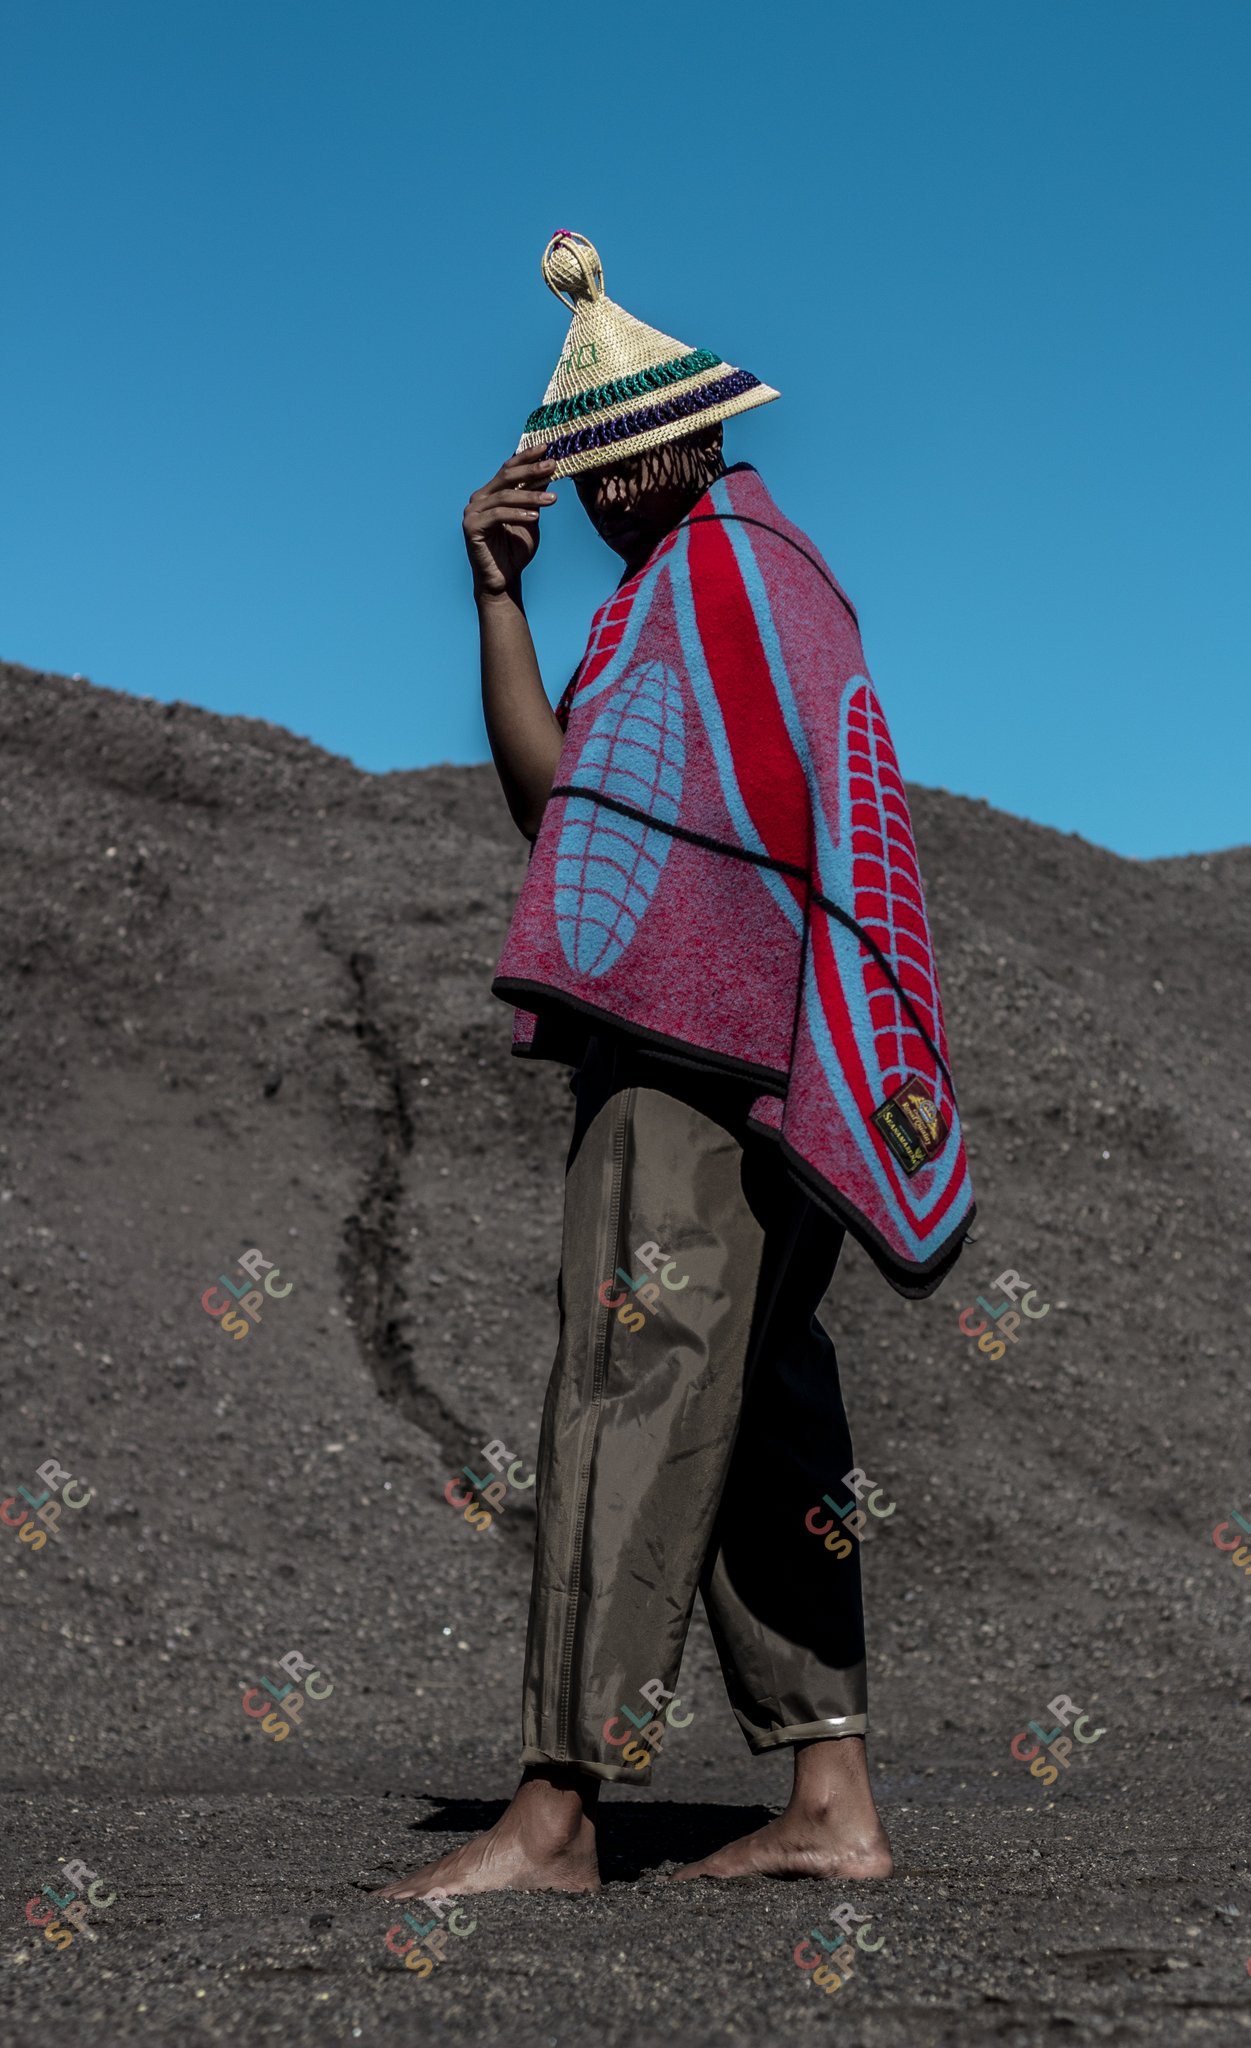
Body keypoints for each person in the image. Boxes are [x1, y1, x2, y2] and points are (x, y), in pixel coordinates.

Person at [378, 233, 974, 1901]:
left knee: (627, 1391)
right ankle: (831, 1802)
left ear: (654, 452)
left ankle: (556, 1817)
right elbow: (561, 801)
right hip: (770, 1057)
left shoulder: (723, 581)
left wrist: (723, 993)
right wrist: (495, 598)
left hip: (701, 1051)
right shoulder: (711, 587)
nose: (577, 500)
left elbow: (709, 835)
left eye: (584, 473)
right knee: (766, 1411)